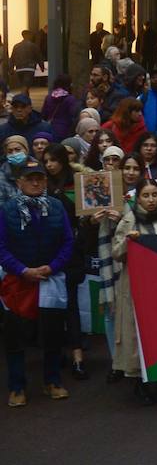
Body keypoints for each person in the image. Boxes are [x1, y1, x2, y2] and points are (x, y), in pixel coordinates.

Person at [0, 159, 74, 407]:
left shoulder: (56, 207)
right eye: (30, 178)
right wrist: (22, 270)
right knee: (15, 338)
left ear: (45, 180)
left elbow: (68, 241)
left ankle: (52, 381)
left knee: (52, 335)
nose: (35, 182)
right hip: (18, 282)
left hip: (50, 279)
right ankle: (17, 386)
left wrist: (52, 267)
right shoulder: (7, 209)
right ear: (19, 182)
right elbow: (1, 247)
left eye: (39, 178)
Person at [113, 179, 157, 403]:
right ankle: (140, 382)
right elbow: (117, 252)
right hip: (136, 285)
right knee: (137, 332)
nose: (151, 200)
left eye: (154, 194)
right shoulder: (130, 218)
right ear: (138, 197)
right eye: (146, 195)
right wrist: (128, 242)